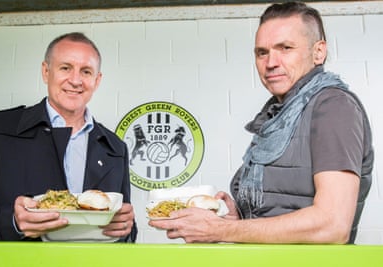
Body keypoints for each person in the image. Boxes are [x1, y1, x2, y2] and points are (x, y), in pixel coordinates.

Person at [149, 1, 373, 244]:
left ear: (318, 52)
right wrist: (236, 218)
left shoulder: (333, 106)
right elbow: (282, 210)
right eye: (262, 52)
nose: (270, 62)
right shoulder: (278, 115)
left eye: (285, 48)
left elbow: (332, 225)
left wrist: (219, 230)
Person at [0, 32, 137, 242]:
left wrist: (126, 228)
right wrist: (13, 222)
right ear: (46, 72)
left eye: (86, 71)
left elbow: (127, 231)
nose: (75, 80)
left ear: (97, 80)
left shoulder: (115, 148)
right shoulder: (0, 128)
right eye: (65, 68)